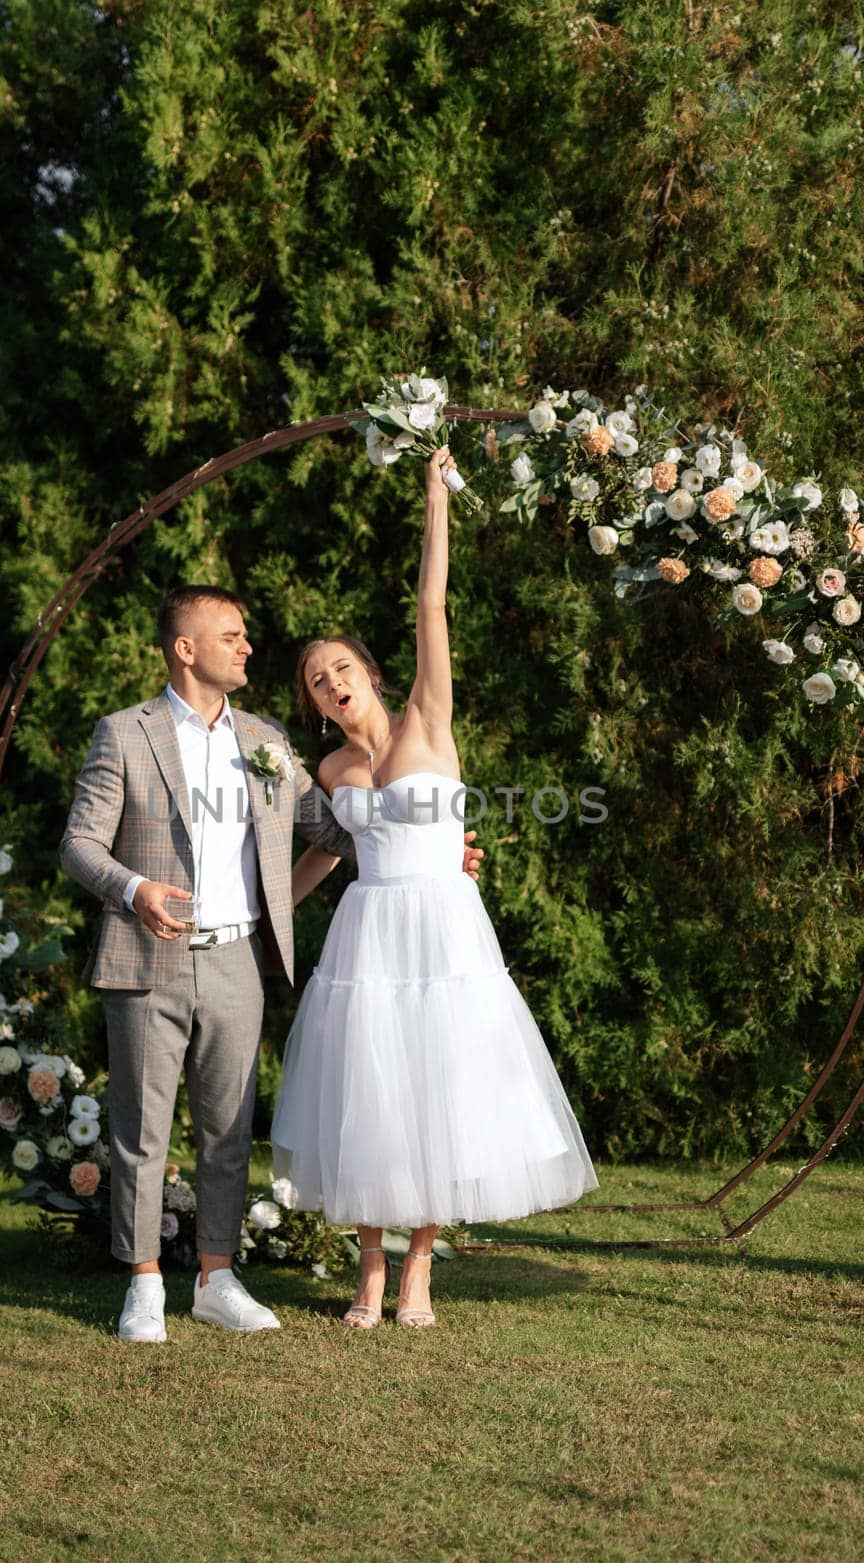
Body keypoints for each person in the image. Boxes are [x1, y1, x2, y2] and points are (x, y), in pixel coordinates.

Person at [59, 584, 482, 1342]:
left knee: (227, 1133)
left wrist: (444, 855)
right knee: (143, 1131)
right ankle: (145, 1286)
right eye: (230, 635)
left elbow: (341, 831)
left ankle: (217, 1278)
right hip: (146, 953)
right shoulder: (125, 732)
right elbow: (79, 844)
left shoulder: (266, 741)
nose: (247, 646)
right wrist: (134, 888)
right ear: (186, 649)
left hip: (235, 958)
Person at [272, 447, 599, 1329]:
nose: (332, 683)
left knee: (438, 1086)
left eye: (340, 667)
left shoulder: (429, 714)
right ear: (314, 704)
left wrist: (434, 501)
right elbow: (328, 855)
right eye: (316, 680)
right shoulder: (331, 765)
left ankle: (420, 1267)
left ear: (369, 672)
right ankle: (369, 1270)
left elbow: (431, 603)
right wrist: (265, 916)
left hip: (445, 928)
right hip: (369, 929)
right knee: (369, 1092)